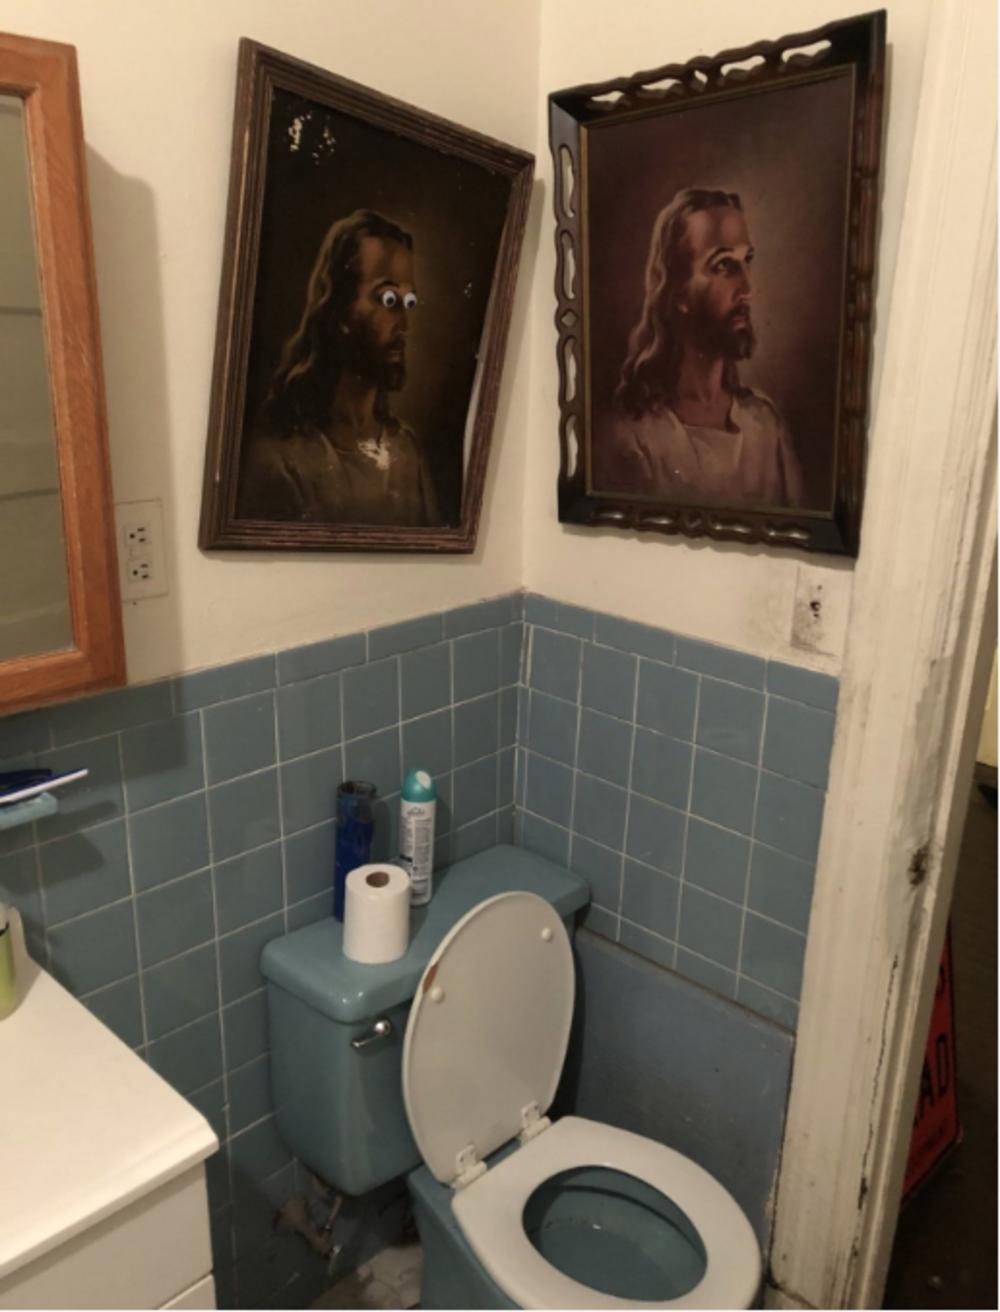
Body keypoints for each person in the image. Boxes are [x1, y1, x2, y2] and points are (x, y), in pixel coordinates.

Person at [598, 187, 805, 508]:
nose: (748, 289)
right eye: (724, 266)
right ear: (677, 290)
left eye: (747, 261)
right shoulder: (635, 439)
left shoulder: (765, 426)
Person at [237, 209, 440, 526]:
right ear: (341, 309)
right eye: (388, 300)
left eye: (409, 302)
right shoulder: (282, 458)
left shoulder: (407, 453)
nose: (403, 324)